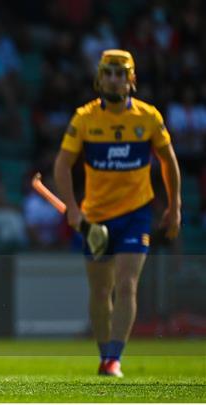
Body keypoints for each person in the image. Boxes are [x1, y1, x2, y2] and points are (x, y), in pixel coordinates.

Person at [54, 50, 181, 377]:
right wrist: (71, 207)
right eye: (109, 73)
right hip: (95, 217)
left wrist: (174, 206)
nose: (114, 79)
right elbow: (62, 165)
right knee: (100, 290)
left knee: (126, 284)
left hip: (136, 214)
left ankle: (114, 358)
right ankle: (104, 353)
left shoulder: (148, 118)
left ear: (131, 79)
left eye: (121, 74)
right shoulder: (84, 118)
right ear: (99, 77)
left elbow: (169, 161)